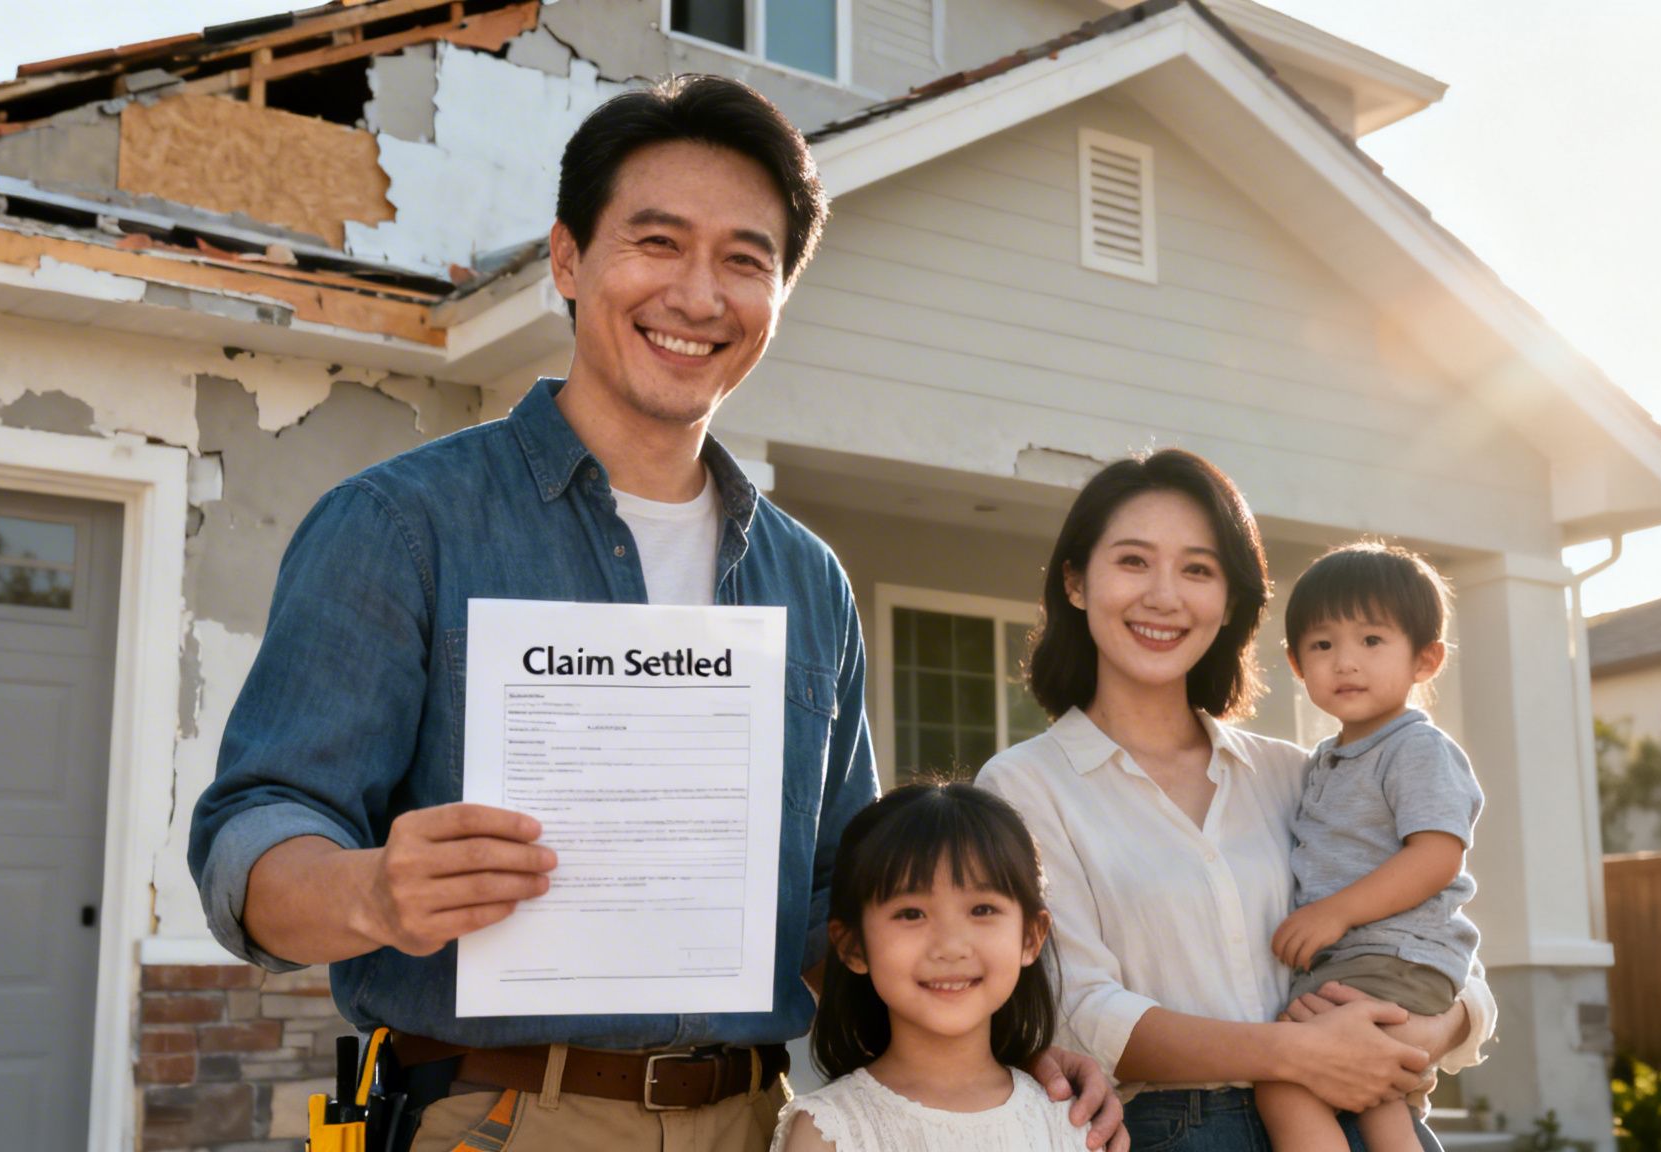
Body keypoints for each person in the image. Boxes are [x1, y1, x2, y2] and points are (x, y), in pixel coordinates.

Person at [188, 74, 1120, 1152]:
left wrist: (987, 1051)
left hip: (758, 1122)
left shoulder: (807, 580)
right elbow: (251, 839)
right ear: (568, 260)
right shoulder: (401, 527)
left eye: (743, 260)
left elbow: (849, 905)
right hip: (499, 1118)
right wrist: (372, 892)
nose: (697, 295)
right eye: (657, 242)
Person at [974, 449, 1495, 1152]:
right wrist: (1295, 1056)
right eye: (1133, 561)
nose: (1165, 596)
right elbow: (1080, 1012)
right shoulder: (1023, 787)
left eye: (1197, 569)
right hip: (1174, 1132)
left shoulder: (1299, 774)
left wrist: (1427, 1034)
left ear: (1229, 602)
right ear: (1075, 582)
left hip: (1368, 1110)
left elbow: (1433, 937)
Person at [1255, 543, 1483, 1152]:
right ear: (1297, 665)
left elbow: (1437, 856)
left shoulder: (1416, 749)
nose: (1345, 662)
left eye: (1372, 641)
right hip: (1366, 961)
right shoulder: (1328, 759)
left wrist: (1335, 912)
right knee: (1381, 1103)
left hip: (1395, 956)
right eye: (1323, 645)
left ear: (1426, 659)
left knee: (1287, 1086)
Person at [773, 783, 1092, 1152]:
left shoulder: (1072, 1123)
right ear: (852, 945)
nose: (950, 946)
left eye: (982, 910)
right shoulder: (828, 1130)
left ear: (1031, 936)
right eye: (911, 914)